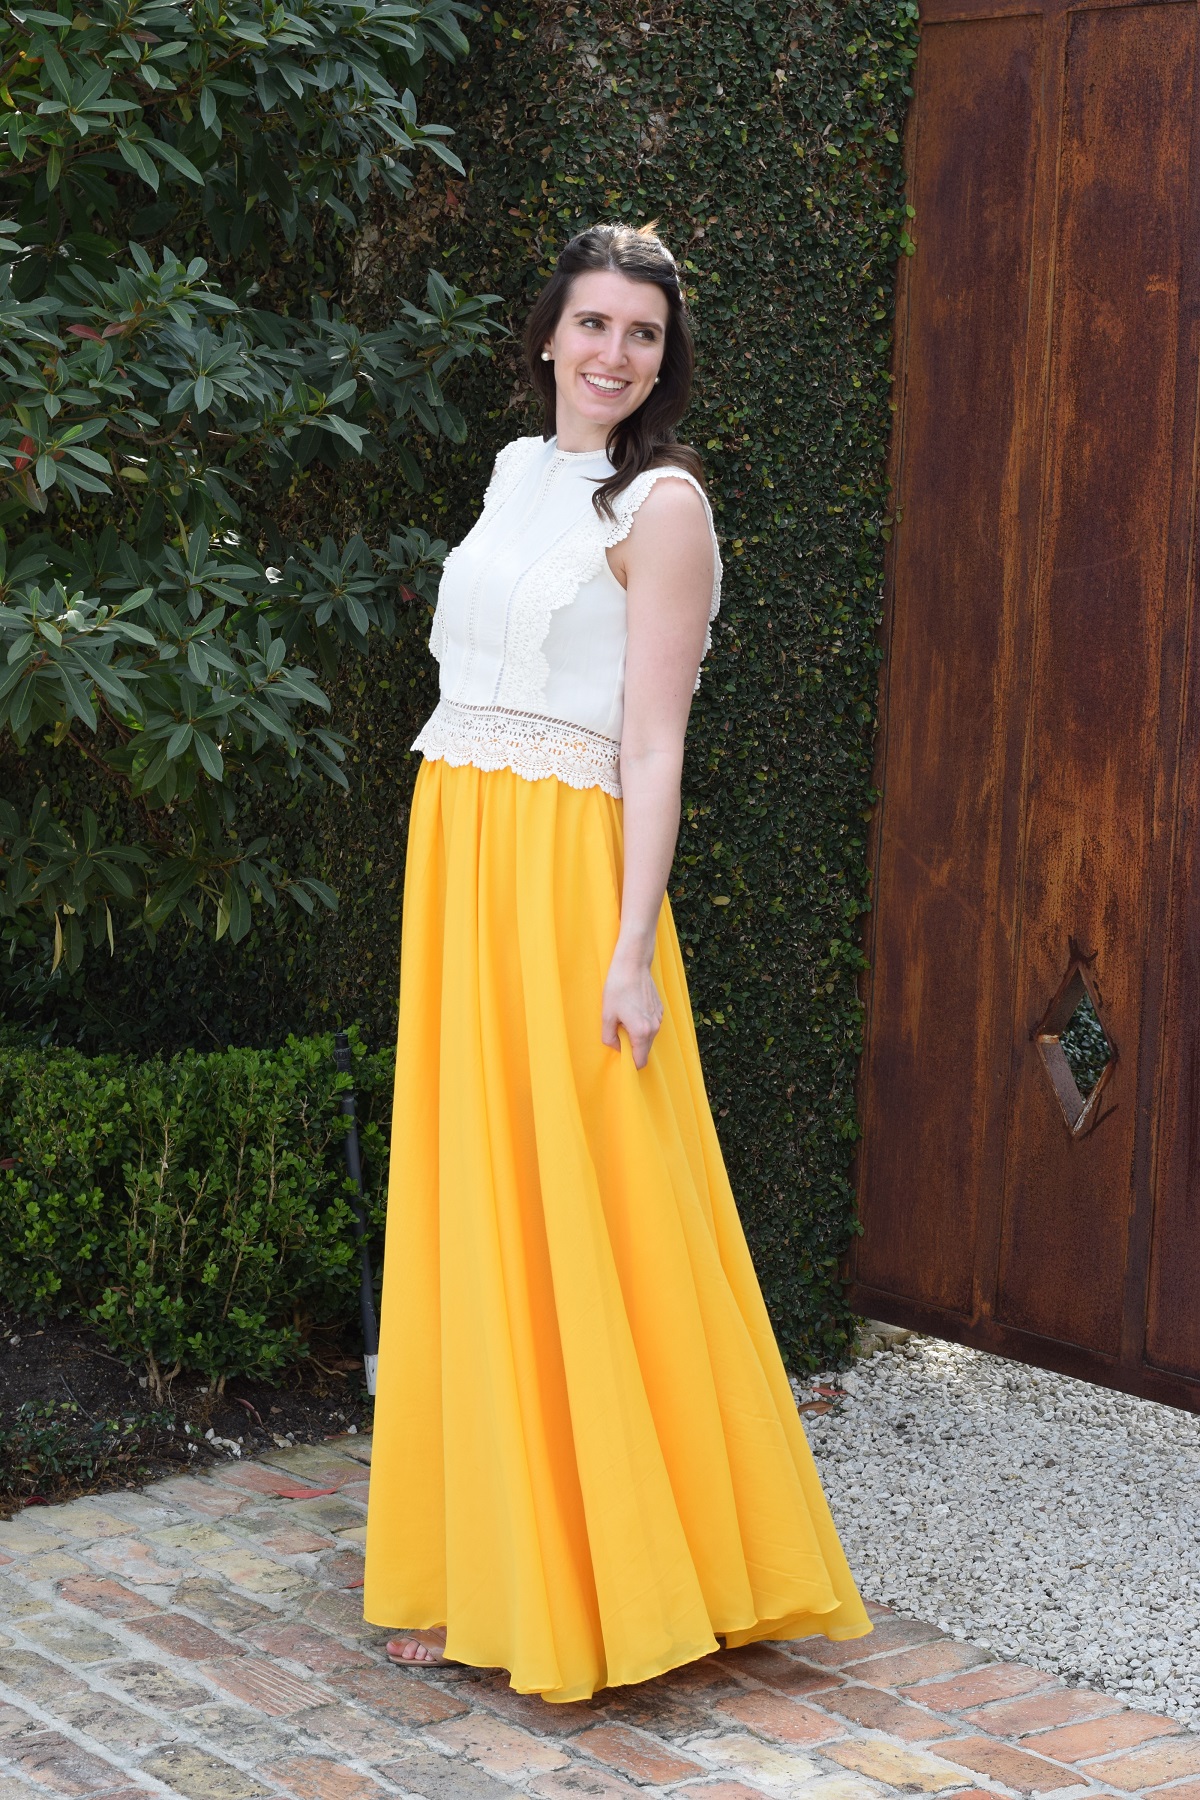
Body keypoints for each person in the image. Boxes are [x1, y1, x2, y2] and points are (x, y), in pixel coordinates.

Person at [362, 222, 870, 1703]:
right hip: (461, 849)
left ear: (664, 358)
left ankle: (642, 1569)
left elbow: (652, 745)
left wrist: (631, 948)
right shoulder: (517, 474)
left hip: (565, 873)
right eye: (592, 323)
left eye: (641, 333)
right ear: (548, 335)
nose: (613, 353)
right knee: (477, 1193)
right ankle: (477, 1559)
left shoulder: (666, 507)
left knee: (596, 1202)